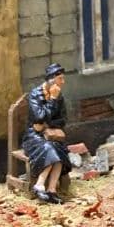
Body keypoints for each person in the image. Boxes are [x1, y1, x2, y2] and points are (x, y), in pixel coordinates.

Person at [22, 62, 71, 204]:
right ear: (51, 80)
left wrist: (47, 124)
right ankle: (39, 185)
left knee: (58, 150)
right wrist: (52, 100)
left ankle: (51, 190)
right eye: (60, 78)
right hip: (33, 136)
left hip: (50, 134)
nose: (63, 82)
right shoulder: (35, 94)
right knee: (49, 148)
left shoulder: (59, 96)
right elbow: (39, 117)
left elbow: (63, 120)